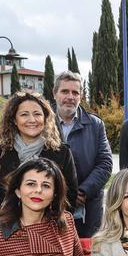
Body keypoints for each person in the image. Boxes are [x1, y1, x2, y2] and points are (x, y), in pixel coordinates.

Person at [0, 91, 78, 223]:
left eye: (37, 114)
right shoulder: (0, 151)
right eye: (24, 114)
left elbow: (70, 197)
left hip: (47, 228)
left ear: (45, 119)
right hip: (6, 228)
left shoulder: (61, 153)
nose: (32, 120)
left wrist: (46, 217)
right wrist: (5, 211)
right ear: (14, 120)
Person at [54, 71, 113, 237]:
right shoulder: (43, 122)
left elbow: (105, 163)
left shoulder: (95, 125)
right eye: (65, 91)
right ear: (55, 93)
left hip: (88, 207)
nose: (70, 97)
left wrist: (83, 192)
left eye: (75, 92)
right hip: (50, 206)